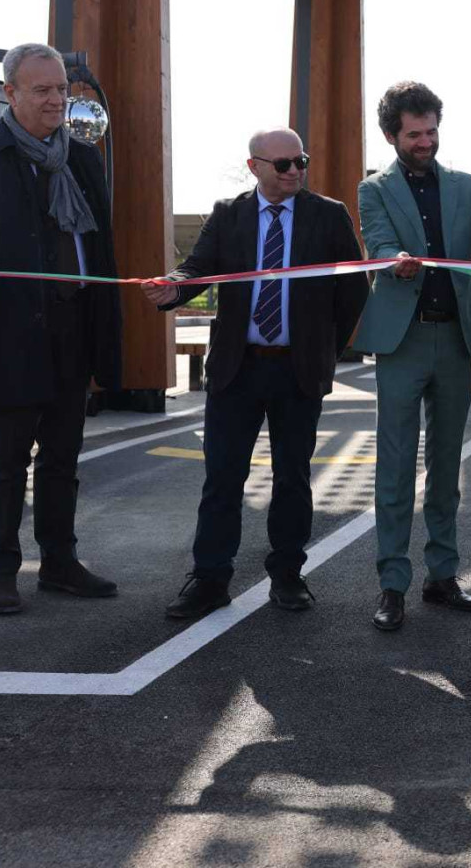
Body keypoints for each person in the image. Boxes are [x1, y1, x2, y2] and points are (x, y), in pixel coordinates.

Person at [0, 42, 123, 615]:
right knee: (7, 461)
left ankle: (59, 563)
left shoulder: (84, 160)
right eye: (43, 90)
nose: (58, 100)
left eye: (63, 88)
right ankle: (1, 570)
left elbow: (100, 247)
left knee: (64, 458)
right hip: (7, 332)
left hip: (74, 328)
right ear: (10, 94)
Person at [143, 129, 368, 620]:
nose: (294, 171)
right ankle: (209, 579)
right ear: (255, 167)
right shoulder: (229, 214)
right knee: (222, 477)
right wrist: (172, 289)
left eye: (300, 161)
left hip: (298, 371)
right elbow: (197, 269)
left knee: (293, 477)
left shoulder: (328, 215)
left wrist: (328, 350)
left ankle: (287, 575)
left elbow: (354, 289)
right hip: (236, 369)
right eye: (283, 163)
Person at [355, 83, 471, 633]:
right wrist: (391, 261)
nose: (425, 142)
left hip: (454, 340)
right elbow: (376, 243)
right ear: (391, 136)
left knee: (447, 464)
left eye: (431, 132)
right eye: (414, 135)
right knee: (396, 465)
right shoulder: (373, 189)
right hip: (401, 342)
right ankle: (392, 584)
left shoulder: (465, 185)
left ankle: (442, 576)